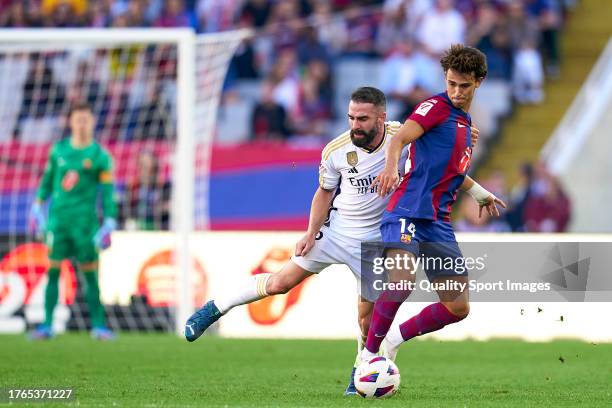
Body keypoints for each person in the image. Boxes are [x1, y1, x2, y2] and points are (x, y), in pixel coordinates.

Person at [184, 87, 486, 395]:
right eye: (351, 118)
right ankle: (215, 308)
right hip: (335, 232)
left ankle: (358, 376)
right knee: (280, 283)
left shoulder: (403, 137)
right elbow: (325, 192)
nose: (355, 125)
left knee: (367, 320)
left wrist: (465, 152)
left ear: (381, 118)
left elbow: (440, 165)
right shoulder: (335, 150)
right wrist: (310, 231)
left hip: (375, 242)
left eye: (363, 119)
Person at [360, 44, 506, 364]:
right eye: (451, 83)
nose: (456, 91)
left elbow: (450, 172)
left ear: (478, 82)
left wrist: (478, 192)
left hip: (437, 222)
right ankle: (368, 359)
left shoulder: (466, 127)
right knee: (401, 283)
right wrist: (389, 168)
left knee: (458, 307)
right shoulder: (434, 107)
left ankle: (393, 341)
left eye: (464, 85)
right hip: (406, 211)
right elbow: (399, 138)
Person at [28, 102, 118, 340]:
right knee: (53, 271)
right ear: (70, 122)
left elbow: (107, 193)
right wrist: (37, 205)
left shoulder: (100, 156)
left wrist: (109, 220)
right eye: (78, 119)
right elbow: (47, 181)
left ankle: (98, 326)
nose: (81, 124)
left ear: (92, 121)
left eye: (85, 119)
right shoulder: (57, 151)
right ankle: (47, 325)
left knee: (90, 275)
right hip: (59, 221)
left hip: (85, 225)